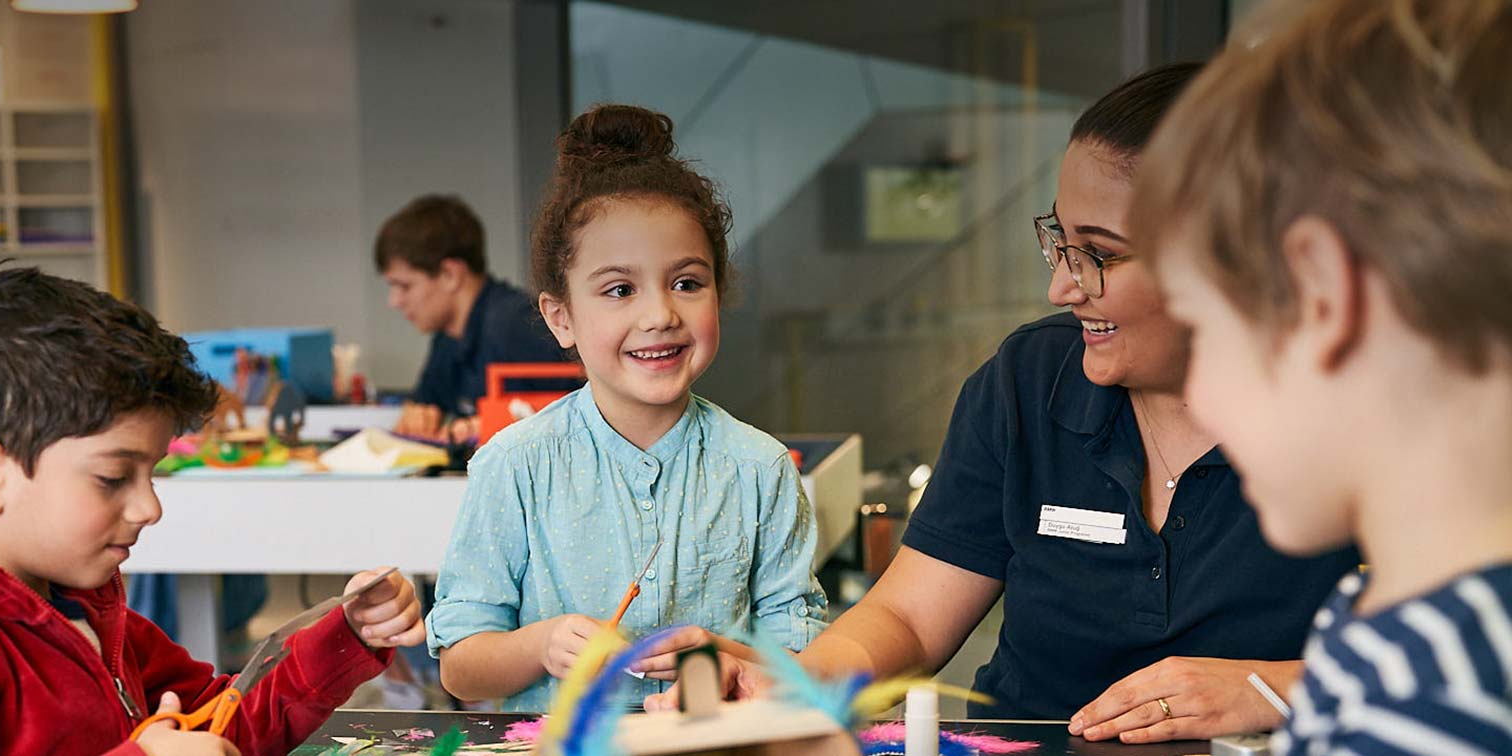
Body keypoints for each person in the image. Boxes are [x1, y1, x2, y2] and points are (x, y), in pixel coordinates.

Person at [652, 64, 1361, 743]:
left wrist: (1275, 689)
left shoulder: (1363, 415)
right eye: (1059, 241)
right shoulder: (1030, 379)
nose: (1062, 287)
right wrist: (799, 684)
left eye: (1099, 255)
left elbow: (1463, 655)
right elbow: (909, 616)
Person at [0, 266, 427, 756]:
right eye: (113, 477)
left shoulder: (84, 610)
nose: (149, 507)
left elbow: (222, 728)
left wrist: (343, 638)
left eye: (152, 474)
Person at [1132, 1, 1512, 752]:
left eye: (1206, 332)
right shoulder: (1373, 616)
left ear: (1322, 295)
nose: (1197, 393)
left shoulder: (1434, 707)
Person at [424, 105, 828, 712]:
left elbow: (805, 658)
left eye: (687, 282)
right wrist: (541, 646)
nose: (660, 315)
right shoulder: (514, 465)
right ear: (562, 318)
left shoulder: (760, 468)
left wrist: (719, 659)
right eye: (619, 290)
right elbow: (460, 667)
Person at [374, 195, 571, 442]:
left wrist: (497, 423)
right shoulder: (447, 338)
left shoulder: (515, 324)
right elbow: (426, 407)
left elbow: (583, 407)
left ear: (450, 274)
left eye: (404, 286)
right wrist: (418, 417)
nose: (394, 301)